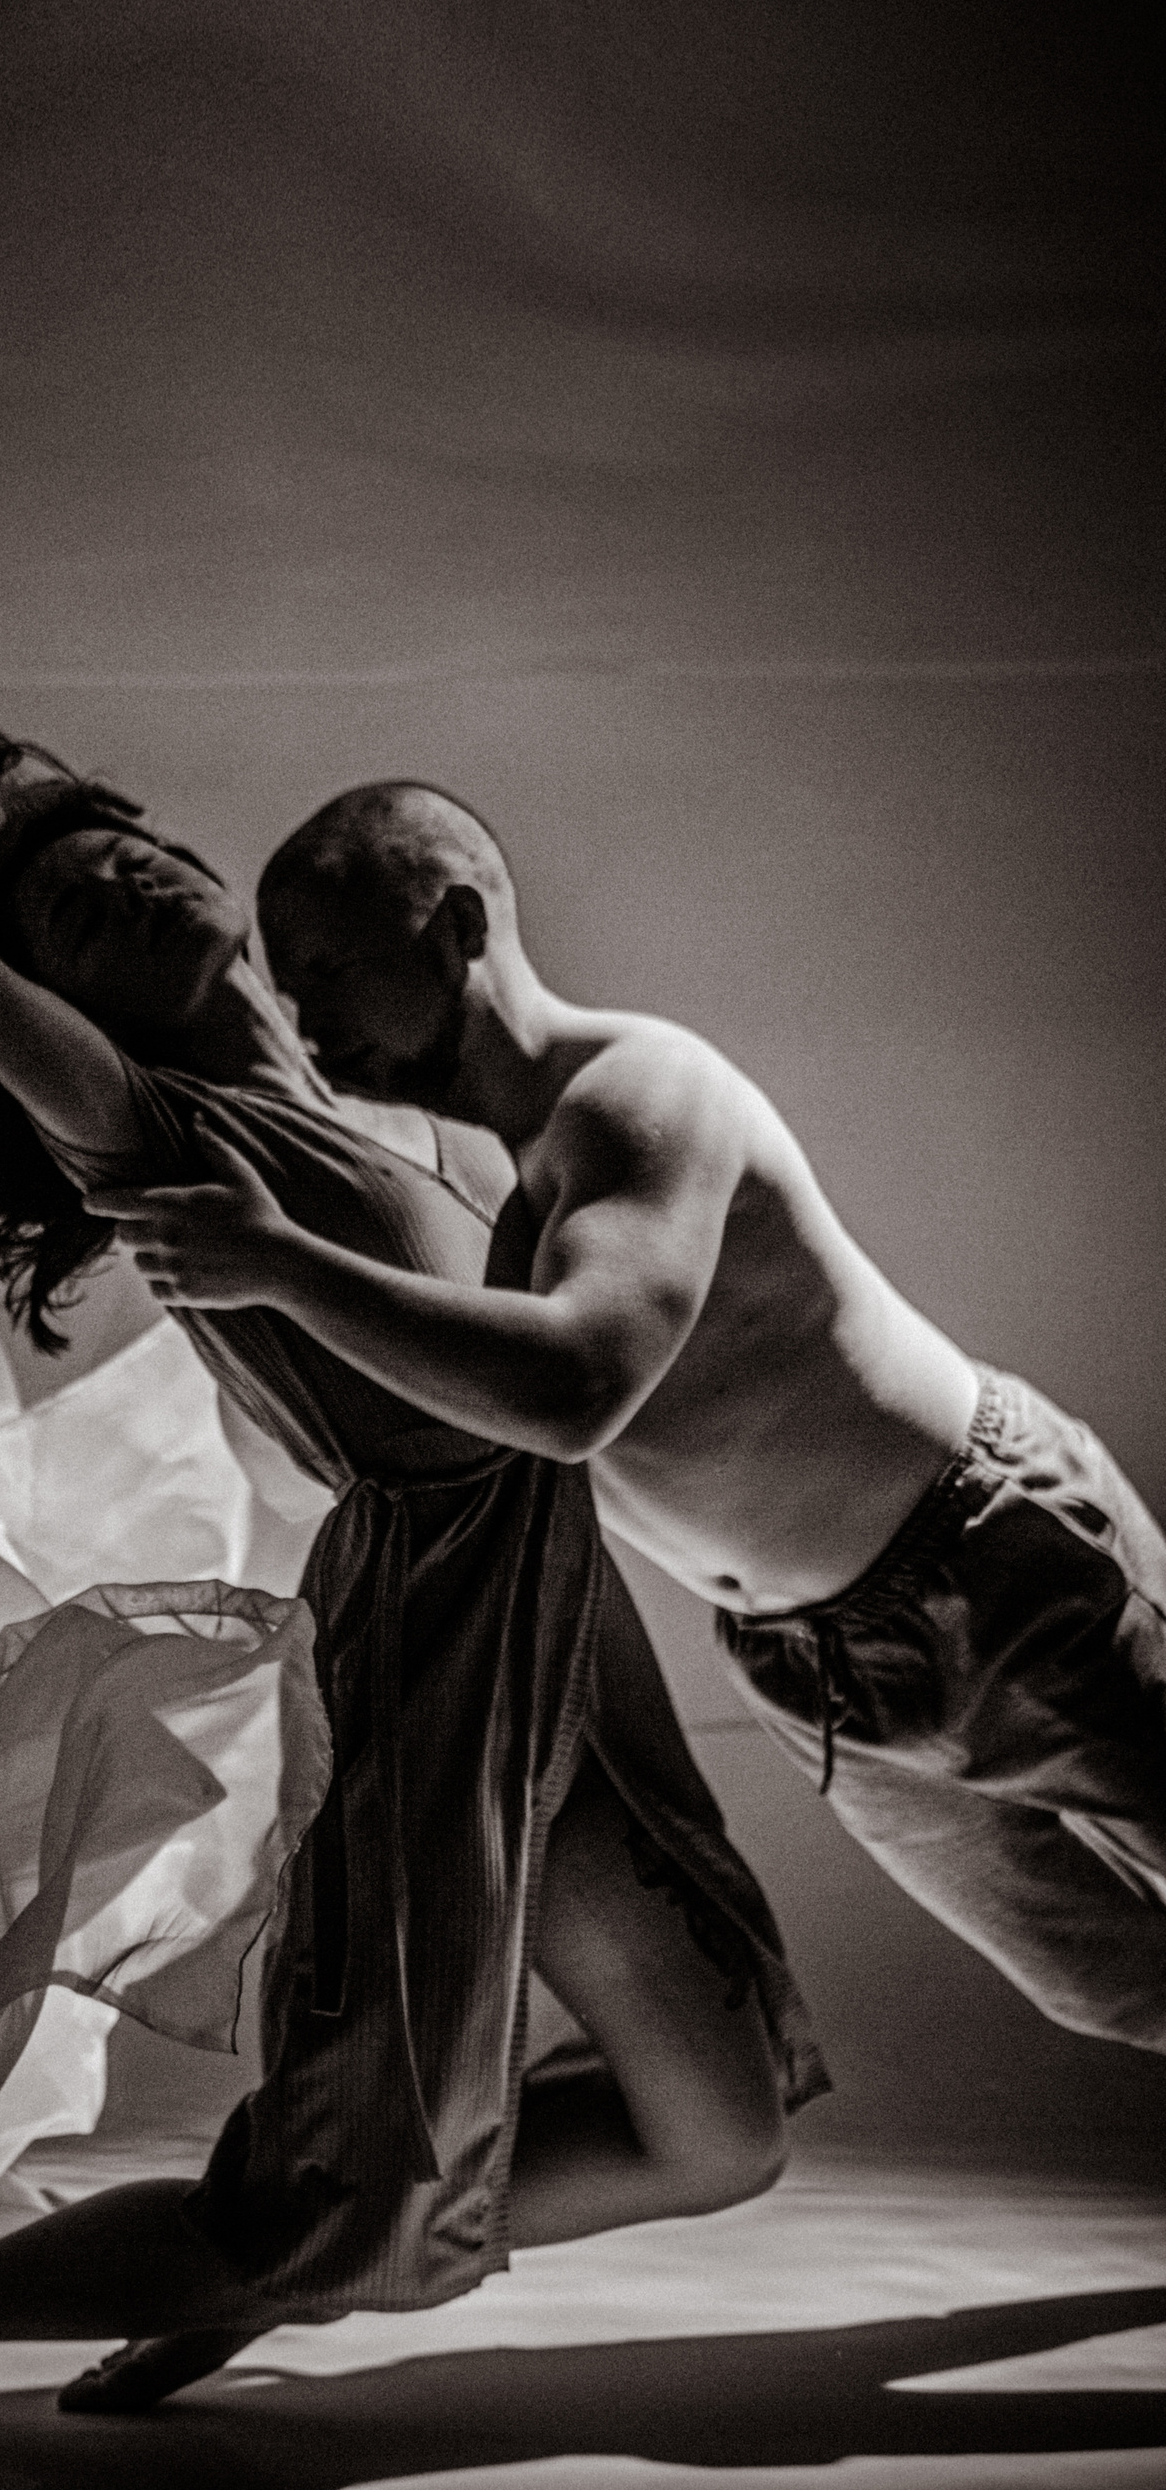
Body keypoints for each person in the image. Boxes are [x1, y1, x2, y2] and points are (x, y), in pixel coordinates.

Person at [0, 732, 826, 2416]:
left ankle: (262, 2276)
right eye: (74, 912)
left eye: (129, 847)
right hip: (444, 1642)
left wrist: (50, 827)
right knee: (328, 2193)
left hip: (553, 1614)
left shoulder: (372, 1115)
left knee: (726, 2129)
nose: (131, 880)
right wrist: (0, 797)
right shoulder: (146, 1130)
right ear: (53, 997)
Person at [96, 779, 1166, 2090]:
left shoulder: (635, 1094)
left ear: (458, 924)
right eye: (287, 984)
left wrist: (280, 1265)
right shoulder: (505, 1183)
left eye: (329, 968)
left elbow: (575, 1388)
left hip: (988, 1563)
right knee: (1116, 1983)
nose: (310, 1019)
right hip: (810, 1660)